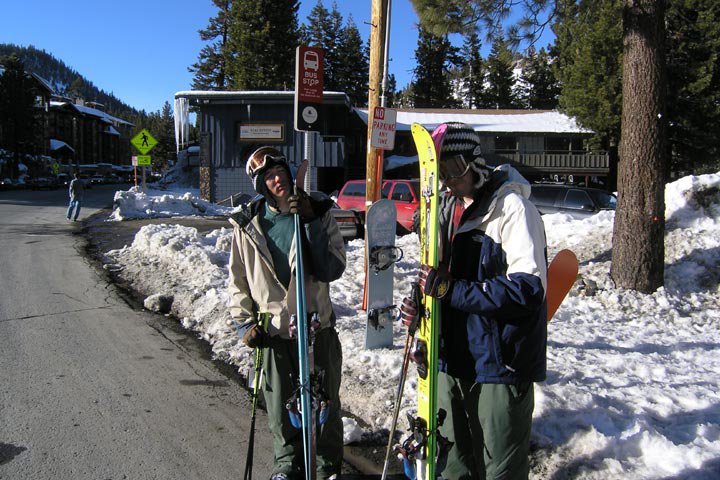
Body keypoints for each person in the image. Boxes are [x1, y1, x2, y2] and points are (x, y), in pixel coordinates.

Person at [401, 122, 548, 480]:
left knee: (499, 467)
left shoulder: (512, 210)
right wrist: (420, 305)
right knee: (452, 464)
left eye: (456, 169)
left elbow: (528, 289)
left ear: (475, 163)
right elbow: (435, 278)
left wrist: (453, 291)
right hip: (451, 358)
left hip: (499, 362)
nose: (449, 180)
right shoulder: (443, 211)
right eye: (443, 172)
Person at [227, 146, 346, 480]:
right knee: (281, 409)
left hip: (316, 329)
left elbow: (332, 267)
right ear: (260, 185)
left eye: (279, 171)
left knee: (323, 407)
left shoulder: (318, 211)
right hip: (274, 332)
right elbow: (238, 280)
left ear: (290, 172)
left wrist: (309, 220)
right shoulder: (248, 223)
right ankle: (287, 466)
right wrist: (244, 322)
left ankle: (326, 469)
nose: (276, 179)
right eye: (268, 177)